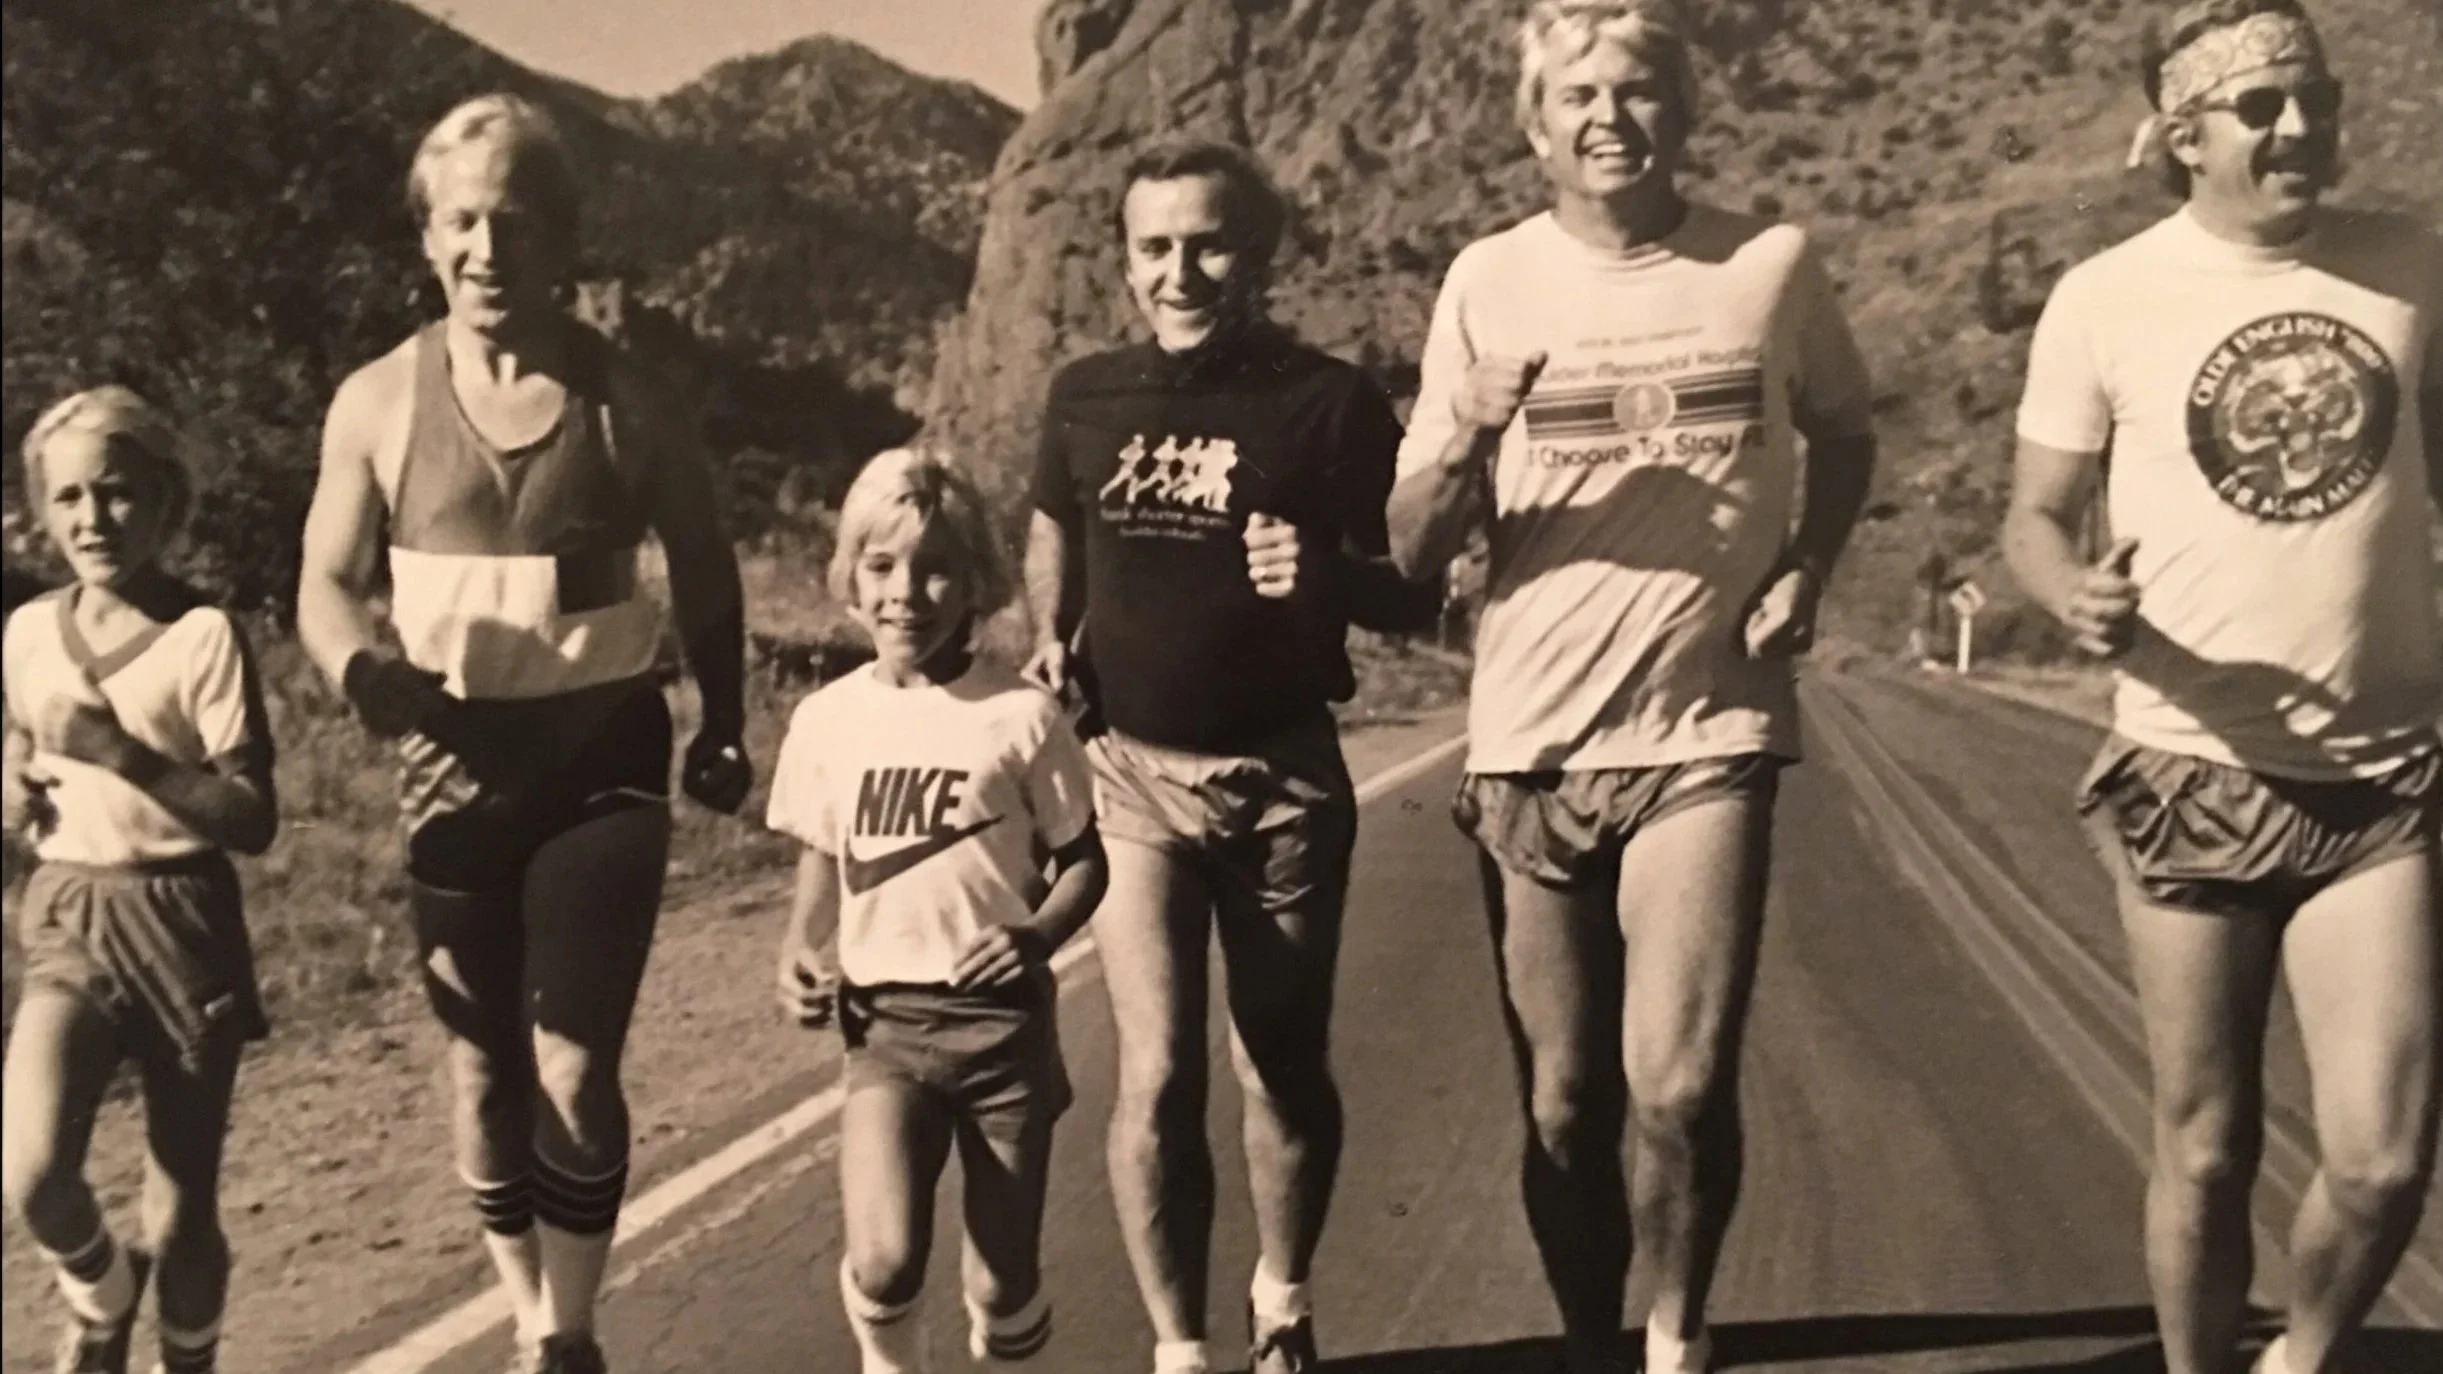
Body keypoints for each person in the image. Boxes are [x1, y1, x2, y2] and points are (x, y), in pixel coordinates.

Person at [1386, 3, 1879, 1370]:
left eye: (1641, 86)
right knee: (1562, 1101)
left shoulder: (1767, 267)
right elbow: (1409, 541)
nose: (1610, 114)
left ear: (1683, 109)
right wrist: (1465, 435)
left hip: (1702, 725)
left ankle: (1674, 1329)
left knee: (1675, 1082)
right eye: (1580, 93)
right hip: (1526, 737)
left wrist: (1805, 564)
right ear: (1533, 123)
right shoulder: (1485, 280)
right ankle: (1592, 1337)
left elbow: (1843, 435)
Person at [2002, 4, 2441, 1371]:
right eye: (2260, 108)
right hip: (2189, 767)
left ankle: (2296, 1359)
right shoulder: (2106, 295)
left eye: (2310, 97)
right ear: (2183, 136)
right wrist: (2067, 588)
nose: (2298, 127)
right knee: (2204, 1149)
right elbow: (2031, 514)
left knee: (2377, 1157)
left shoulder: (2409, 267)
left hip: (2379, 777)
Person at [296, 94, 752, 1374]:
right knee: (483, 1080)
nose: (487, 249)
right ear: (427, 238)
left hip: (603, 767)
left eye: (516, 220)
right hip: (450, 776)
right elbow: (324, 584)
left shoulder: (630, 403)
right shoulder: (378, 402)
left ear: (563, 238)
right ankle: (522, 1307)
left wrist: (722, 721)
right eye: (461, 220)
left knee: (569, 1066)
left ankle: (570, 1328)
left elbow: (707, 573)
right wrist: (357, 669)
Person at [1023, 140, 1436, 1374]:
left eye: (1208, 243)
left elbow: (1411, 593)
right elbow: (1055, 520)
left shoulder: (1332, 402)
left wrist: (1325, 576)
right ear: (1125, 259)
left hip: (1282, 785)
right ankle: (1180, 1350)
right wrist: (1046, 632)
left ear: (1256, 256)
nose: (1181, 270)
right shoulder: (1084, 394)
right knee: (1151, 1078)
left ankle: (1283, 1299)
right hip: (1131, 777)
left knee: (1282, 1065)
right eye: (1155, 246)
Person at [768, 448, 1106, 1373]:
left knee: (1001, 1289)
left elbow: (1084, 864)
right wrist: (802, 948)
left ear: (977, 585)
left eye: (934, 569)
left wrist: (1036, 935)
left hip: (1003, 1040)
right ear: (850, 575)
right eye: (880, 567)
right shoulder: (828, 720)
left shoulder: (1022, 716)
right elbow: (825, 854)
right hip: (886, 1030)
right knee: (882, 1262)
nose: (905, 594)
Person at [2, 388, 278, 1374]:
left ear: (165, 501)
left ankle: (187, 1358)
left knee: (182, 1204)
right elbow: (25, 737)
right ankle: (102, 1292)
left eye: (117, 494)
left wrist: (123, 753)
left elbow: (252, 816)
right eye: (68, 497)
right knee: (32, 1167)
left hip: (183, 920)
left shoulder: (202, 634)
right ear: (41, 511)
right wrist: (11, 776)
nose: (92, 519)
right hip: (70, 912)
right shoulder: (30, 629)